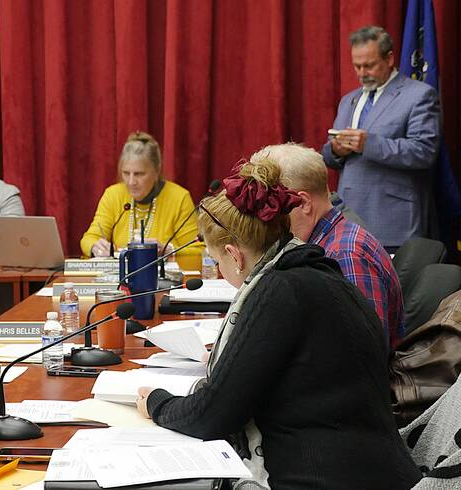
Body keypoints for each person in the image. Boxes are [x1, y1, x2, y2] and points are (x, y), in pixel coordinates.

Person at [136, 155, 421, 489]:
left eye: (216, 261)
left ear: (234, 255)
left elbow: (214, 414)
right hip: (373, 468)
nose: (221, 271)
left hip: (321, 476)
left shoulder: (279, 290)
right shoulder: (319, 272)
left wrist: (156, 402)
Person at [263, 142, 405, 349]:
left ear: (302, 203)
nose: (265, 219)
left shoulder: (345, 255)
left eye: (270, 207)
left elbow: (363, 356)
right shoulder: (323, 242)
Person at [322, 25, 441, 252]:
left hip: (393, 220)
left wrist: (368, 144)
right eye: (357, 66)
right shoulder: (349, 100)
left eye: (369, 65)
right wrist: (337, 150)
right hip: (347, 220)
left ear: (389, 58)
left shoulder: (419, 95)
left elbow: (424, 152)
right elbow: (328, 156)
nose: (361, 72)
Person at [80, 131, 204, 264]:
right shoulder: (113, 195)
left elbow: (198, 250)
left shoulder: (179, 198)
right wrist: (95, 247)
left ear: (157, 171)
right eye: (126, 173)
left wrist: (168, 250)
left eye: (139, 174)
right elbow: (89, 238)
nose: (131, 181)